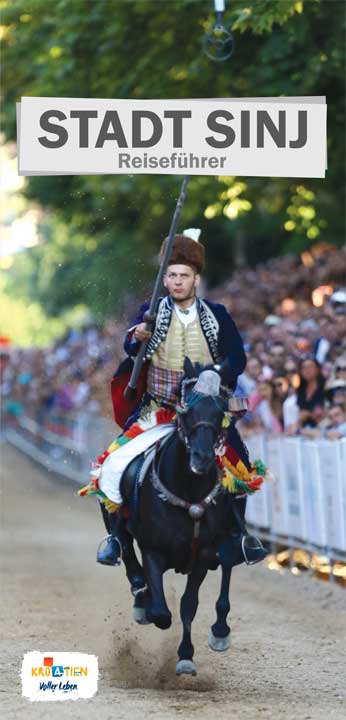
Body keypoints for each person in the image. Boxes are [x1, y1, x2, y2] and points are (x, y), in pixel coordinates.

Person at [79, 231, 268, 565]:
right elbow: (132, 348)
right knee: (111, 465)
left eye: (184, 276)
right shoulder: (149, 312)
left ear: (195, 279)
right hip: (158, 410)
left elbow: (237, 358)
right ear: (164, 279)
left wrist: (217, 373)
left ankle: (240, 536)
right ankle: (117, 540)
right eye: (173, 276)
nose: (178, 282)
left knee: (240, 465)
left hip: (205, 412)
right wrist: (137, 335)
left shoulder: (217, 314)